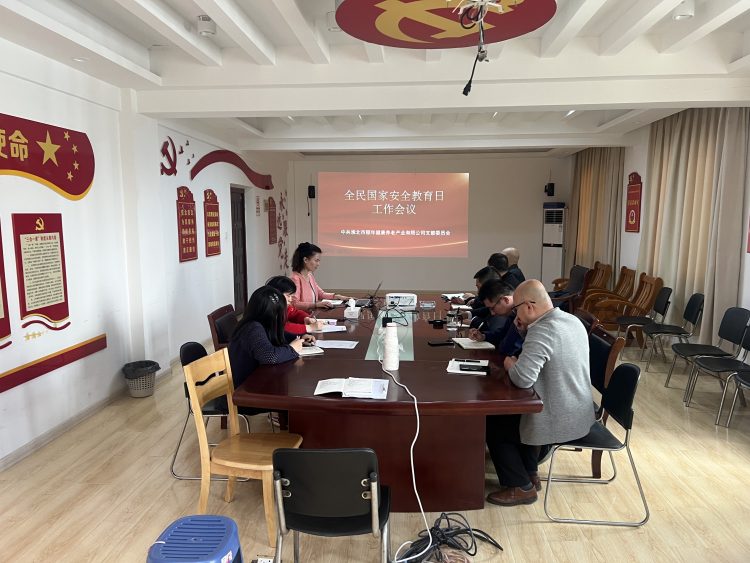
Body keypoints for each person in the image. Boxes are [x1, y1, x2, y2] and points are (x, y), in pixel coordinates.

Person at [485, 280, 594, 507]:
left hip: (559, 416)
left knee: (495, 421)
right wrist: (523, 332)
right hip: (578, 409)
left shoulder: (542, 330)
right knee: (514, 416)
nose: (515, 315)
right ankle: (530, 473)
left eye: (516, 309)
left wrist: (509, 364)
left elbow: (522, 378)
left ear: (529, 306)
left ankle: (520, 487)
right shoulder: (571, 319)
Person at [227, 285, 311, 391]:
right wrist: (292, 349)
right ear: (270, 313)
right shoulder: (253, 328)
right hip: (243, 390)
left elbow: (279, 334)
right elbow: (271, 357)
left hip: (254, 382)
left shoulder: (259, 323)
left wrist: (300, 338)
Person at [468, 279, 524, 357]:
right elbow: (502, 334)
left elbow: (509, 348)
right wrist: (483, 336)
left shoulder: (523, 315)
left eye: (492, 308)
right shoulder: (513, 312)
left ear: (505, 300)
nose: (492, 313)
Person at [290, 242, 352, 311]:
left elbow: (320, 294)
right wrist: (315, 305)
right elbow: (295, 304)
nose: (318, 264)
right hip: (303, 316)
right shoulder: (295, 278)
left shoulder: (309, 275)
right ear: (305, 260)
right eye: (316, 260)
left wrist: (337, 296)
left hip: (312, 314)